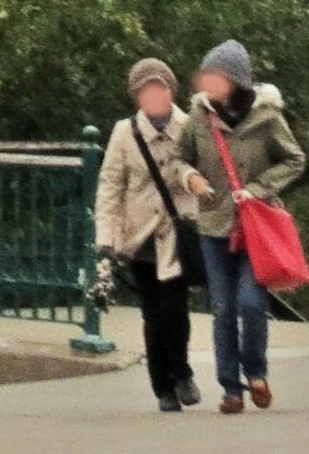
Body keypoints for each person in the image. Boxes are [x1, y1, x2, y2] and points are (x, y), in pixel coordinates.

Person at [174, 39, 306, 416]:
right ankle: (231, 389)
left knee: (250, 304)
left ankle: (257, 372)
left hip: (256, 226)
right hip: (214, 225)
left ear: (236, 81)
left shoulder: (267, 116)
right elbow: (179, 160)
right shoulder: (199, 117)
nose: (207, 84)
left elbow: (295, 160)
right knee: (223, 309)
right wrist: (191, 179)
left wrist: (258, 189)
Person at [96, 56, 208, 412]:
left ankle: (182, 371)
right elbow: (110, 188)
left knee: (175, 307)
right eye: (145, 91)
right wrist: (106, 241)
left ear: (170, 91)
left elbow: (206, 175)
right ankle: (163, 388)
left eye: (159, 88)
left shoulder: (191, 127)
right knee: (153, 312)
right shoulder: (124, 132)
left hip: (177, 233)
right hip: (139, 236)